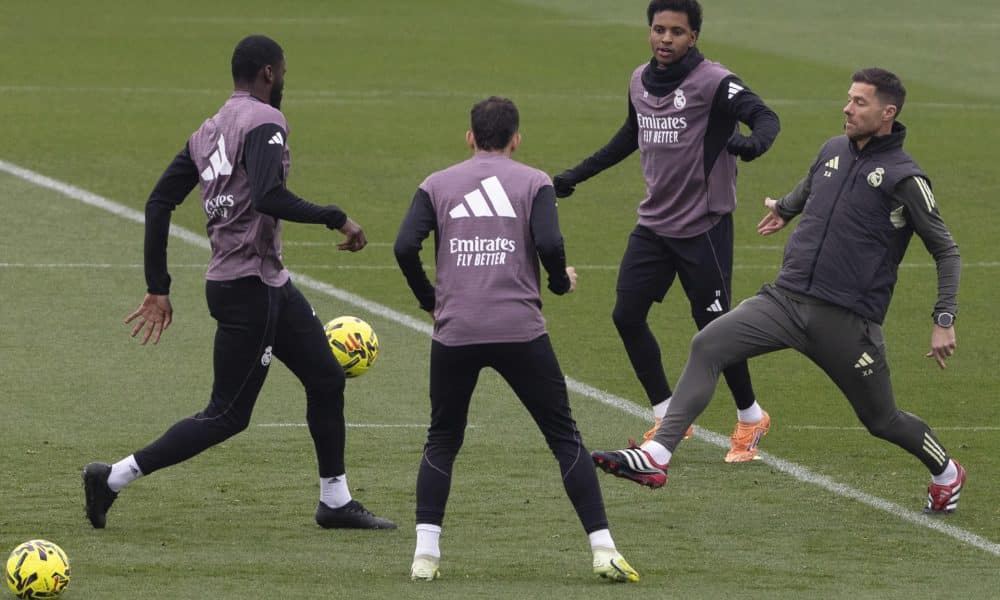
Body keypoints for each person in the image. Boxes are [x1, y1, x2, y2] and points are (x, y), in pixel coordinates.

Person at [591, 67, 966, 515]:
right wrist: (785, 209)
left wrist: (944, 320)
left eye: (859, 102)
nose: (847, 108)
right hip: (784, 301)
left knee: (881, 420)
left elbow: (947, 250)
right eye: (848, 98)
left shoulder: (906, 178)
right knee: (708, 343)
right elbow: (811, 187)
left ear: (888, 113)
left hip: (845, 323)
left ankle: (946, 472)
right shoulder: (832, 150)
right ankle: (657, 456)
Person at [82, 35, 395, 530]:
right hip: (250, 288)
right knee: (226, 414)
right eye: (284, 72)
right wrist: (336, 216)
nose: (284, 80)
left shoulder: (206, 131)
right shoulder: (266, 120)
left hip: (265, 283)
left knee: (325, 377)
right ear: (269, 73)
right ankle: (113, 477)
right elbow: (270, 196)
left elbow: (158, 202)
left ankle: (334, 500)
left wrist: (158, 284)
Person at [394, 97, 639, 582]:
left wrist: (431, 300)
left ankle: (425, 557)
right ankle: (603, 549)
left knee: (442, 439)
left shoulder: (436, 184)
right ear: (516, 139)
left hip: (456, 331)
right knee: (564, 438)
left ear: (469, 137)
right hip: (520, 331)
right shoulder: (534, 181)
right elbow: (549, 244)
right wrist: (559, 282)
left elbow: (404, 246)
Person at [551, 0, 780, 461]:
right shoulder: (639, 79)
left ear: (693, 36)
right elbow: (630, 134)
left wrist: (750, 145)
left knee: (716, 328)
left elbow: (766, 118)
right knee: (626, 315)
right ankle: (667, 410)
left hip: (704, 227)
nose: (665, 39)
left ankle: (751, 418)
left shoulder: (714, 81)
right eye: (659, 30)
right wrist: (575, 176)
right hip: (654, 224)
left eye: (676, 32)